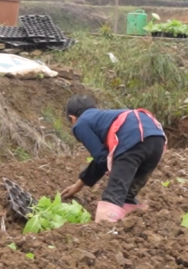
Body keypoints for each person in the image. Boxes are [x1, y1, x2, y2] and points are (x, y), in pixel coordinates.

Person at [59, 95, 166, 223]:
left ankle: (106, 227)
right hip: (157, 139)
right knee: (126, 195)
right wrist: (79, 185)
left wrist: (112, 170)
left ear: (72, 118)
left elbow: (101, 156)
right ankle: (135, 220)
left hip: (133, 140)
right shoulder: (105, 118)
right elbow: (103, 158)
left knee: (113, 195)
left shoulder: (81, 123)